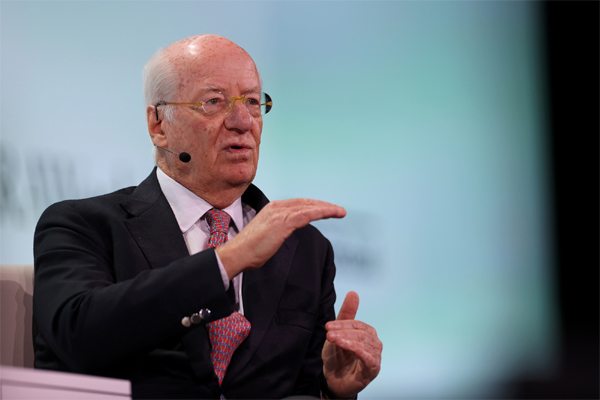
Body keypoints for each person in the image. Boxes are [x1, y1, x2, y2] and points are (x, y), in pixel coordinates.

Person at [33, 34, 382, 399]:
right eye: (214, 101)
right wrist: (229, 259)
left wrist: (334, 389)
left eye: (252, 101)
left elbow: (304, 386)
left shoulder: (306, 248)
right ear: (158, 125)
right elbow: (78, 337)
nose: (243, 121)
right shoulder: (83, 225)